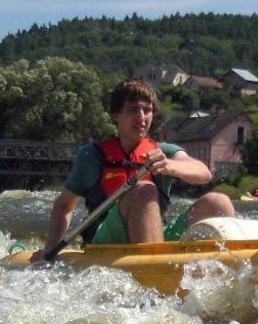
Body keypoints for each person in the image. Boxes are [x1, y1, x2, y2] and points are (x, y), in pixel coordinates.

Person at [31, 78, 234, 261]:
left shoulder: (164, 152)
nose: (142, 117)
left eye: (147, 110)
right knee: (144, 190)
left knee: (219, 202)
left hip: (155, 235)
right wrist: (50, 252)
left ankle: (226, 269)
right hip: (106, 239)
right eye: (133, 110)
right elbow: (64, 206)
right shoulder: (92, 156)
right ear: (116, 115)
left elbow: (203, 172)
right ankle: (155, 270)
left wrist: (171, 166)